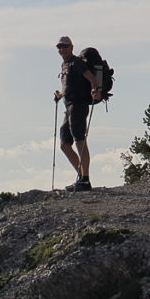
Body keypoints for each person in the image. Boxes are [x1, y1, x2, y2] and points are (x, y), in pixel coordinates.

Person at [53, 36, 103, 191]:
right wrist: (60, 95)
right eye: (59, 47)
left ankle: (85, 179)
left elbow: (93, 79)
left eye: (65, 46)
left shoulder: (77, 62)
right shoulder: (65, 64)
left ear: (71, 47)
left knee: (80, 140)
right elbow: (68, 86)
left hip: (78, 105)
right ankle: (81, 177)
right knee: (65, 145)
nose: (62, 50)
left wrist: (96, 90)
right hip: (68, 106)